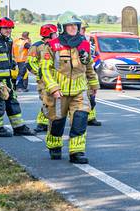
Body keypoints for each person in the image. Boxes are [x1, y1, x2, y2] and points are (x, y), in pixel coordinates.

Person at [42, 16, 98, 163]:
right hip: (58, 93)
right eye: (70, 26)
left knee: (80, 120)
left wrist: (94, 85)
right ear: (62, 28)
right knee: (57, 122)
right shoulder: (52, 45)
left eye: (76, 26)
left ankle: (77, 152)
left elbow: (89, 66)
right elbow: (45, 69)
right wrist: (53, 88)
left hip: (79, 91)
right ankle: (54, 146)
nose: (73, 28)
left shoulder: (84, 44)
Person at [0, 17, 34, 137]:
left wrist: (13, 65)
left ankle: (18, 127)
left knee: (12, 102)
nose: (8, 30)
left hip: (7, 80)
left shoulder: (9, 42)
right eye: (5, 28)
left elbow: (10, 57)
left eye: (10, 28)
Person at [29, 24, 59, 133]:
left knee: (54, 102)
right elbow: (30, 63)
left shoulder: (57, 45)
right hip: (43, 80)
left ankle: (51, 121)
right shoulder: (37, 46)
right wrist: (40, 73)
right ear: (49, 34)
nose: (57, 35)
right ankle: (42, 123)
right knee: (46, 101)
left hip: (55, 79)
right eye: (55, 33)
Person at [80, 22, 101, 126]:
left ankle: (91, 118)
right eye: (82, 28)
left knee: (91, 97)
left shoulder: (88, 41)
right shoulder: (72, 42)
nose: (83, 31)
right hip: (78, 75)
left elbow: (96, 55)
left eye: (84, 29)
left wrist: (95, 66)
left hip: (89, 72)